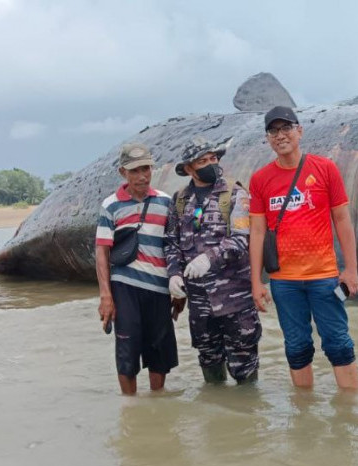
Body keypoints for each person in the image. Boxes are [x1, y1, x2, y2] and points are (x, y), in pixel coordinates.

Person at [249, 106, 358, 390]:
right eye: (273, 131)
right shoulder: (260, 180)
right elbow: (258, 231)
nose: (280, 135)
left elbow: (342, 219)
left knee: (338, 344)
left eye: (286, 128)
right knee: (296, 347)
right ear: (268, 139)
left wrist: (351, 269)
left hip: (324, 276)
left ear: (299, 131)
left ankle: (349, 411)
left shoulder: (325, 169)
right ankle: (304, 415)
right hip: (284, 281)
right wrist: (256, 283)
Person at [164, 137, 261, 384]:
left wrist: (209, 259)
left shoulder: (235, 194)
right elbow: (171, 242)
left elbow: (241, 239)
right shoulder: (180, 200)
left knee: (244, 365)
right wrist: (174, 273)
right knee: (209, 362)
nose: (211, 164)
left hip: (235, 301)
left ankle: (247, 417)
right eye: (203, 161)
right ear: (188, 168)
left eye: (213, 158)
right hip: (199, 304)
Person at [95, 143, 179, 395]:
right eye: (135, 171)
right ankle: (130, 406)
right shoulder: (110, 206)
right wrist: (106, 295)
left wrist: (178, 288)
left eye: (146, 169)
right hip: (125, 287)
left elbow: (173, 246)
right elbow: (102, 251)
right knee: (127, 351)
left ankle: (156, 402)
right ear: (123, 173)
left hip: (159, 287)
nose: (142, 176)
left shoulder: (165, 202)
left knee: (159, 351)